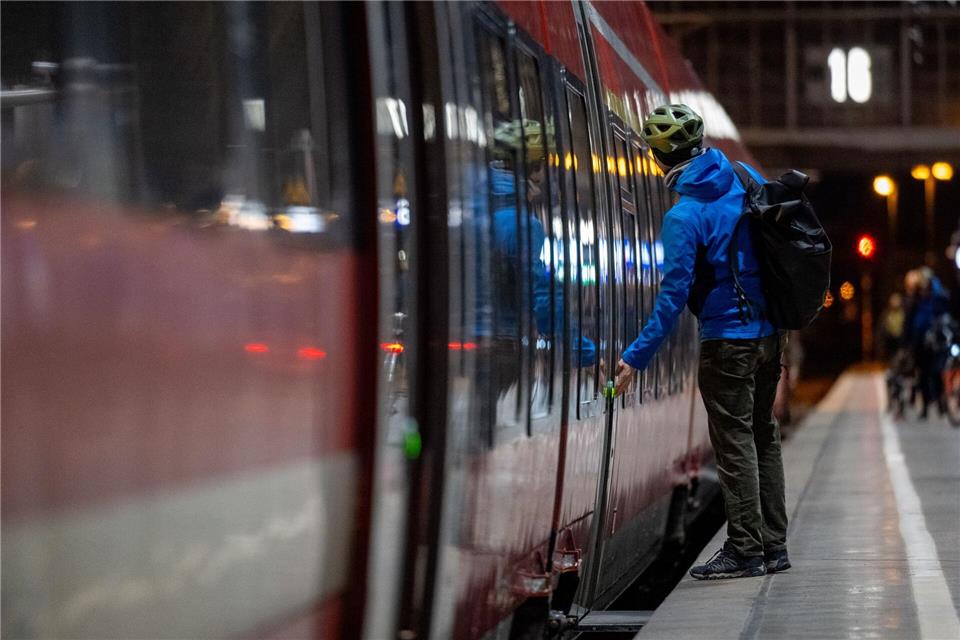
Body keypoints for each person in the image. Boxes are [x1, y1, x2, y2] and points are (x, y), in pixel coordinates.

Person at [614, 104, 788, 580]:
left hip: (726, 341)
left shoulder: (684, 216)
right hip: (770, 335)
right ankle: (774, 546)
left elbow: (672, 299)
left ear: (658, 158)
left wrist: (635, 357)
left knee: (734, 443)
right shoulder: (743, 176)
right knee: (763, 437)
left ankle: (745, 550)